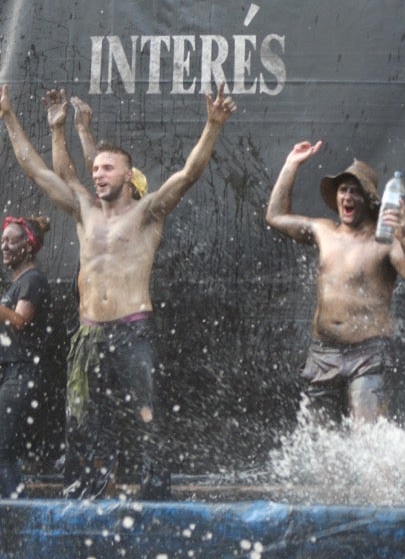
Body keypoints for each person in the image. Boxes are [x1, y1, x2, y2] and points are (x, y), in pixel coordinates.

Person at [0, 82, 236, 500]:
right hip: (89, 334)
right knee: (87, 419)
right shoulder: (83, 211)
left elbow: (188, 173)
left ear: (129, 175)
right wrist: (8, 116)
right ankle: (93, 491)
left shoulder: (149, 212)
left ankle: (155, 496)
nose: (98, 174)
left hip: (132, 329)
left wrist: (212, 126)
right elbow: (38, 170)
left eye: (107, 168)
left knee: (145, 416)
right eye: (96, 169)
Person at [266, 141, 405, 425]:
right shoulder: (324, 231)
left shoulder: (385, 242)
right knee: (324, 451)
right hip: (322, 354)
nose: (348, 196)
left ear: (370, 201)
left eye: (356, 191)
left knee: (368, 443)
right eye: (344, 190)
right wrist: (291, 164)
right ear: (337, 197)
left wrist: (404, 236)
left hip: (367, 355)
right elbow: (275, 216)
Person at [0, 215, 51, 498]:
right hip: (12, 374)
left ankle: (17, 514)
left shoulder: (33, 280)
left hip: (23, 376)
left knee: (2, 450)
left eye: (11, 240)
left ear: (28, 247)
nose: (4, 246)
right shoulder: (16, 284)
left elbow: (20, 321)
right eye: (2, 240)